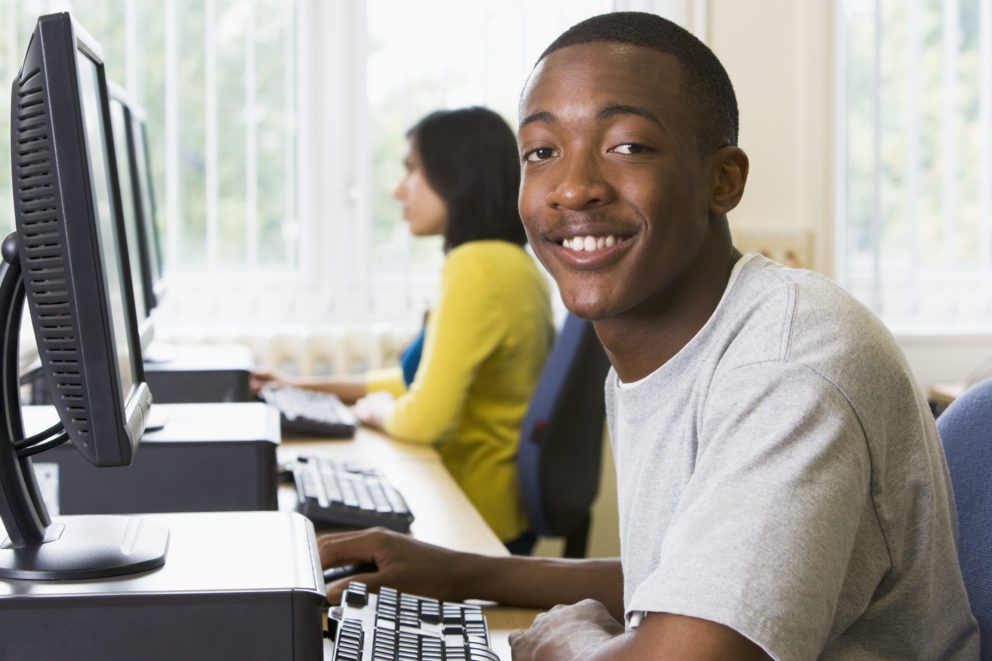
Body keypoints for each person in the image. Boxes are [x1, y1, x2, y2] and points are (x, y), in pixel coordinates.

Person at [316, 12, 980, 661]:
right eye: (542, 151)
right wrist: (462, 572)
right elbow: (686, 580)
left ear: (724, 180)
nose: (573, 188)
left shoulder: (787, 365)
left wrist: (573, 642)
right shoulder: (668, 344)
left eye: (628, 145)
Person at [256, 106, 554, 551]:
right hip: (485, 505)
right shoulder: (512, 263)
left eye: (412, 170)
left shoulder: (476, 267)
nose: (398, 190)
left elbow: (424, 420)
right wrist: (304, 386)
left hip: (470, 519)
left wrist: (374, 412)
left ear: (459, 176)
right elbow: (414, 382)